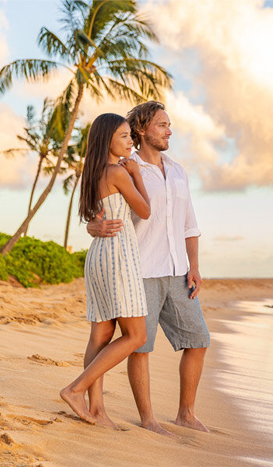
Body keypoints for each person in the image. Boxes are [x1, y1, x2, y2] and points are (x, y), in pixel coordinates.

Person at [87, 101, 211, 434]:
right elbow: (100, 207)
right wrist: (92, 227)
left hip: (178, 270)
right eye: (162, 125)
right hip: (139, 269)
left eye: (169, 125)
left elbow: (189, 223)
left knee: (198, 340)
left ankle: (186, 413)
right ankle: (148, 419)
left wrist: (194, 265)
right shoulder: (126, 164)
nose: (169, 131)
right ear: (142, 129)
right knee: (140, 346)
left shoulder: (178, 170)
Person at [60, 113, 151, 427]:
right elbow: (145, 210)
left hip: (99, 256)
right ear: (107, 140)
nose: (131, 142)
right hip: (118, 256)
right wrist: (137, 174)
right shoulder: (117, 172)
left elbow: (96, 215)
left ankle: (97, 409)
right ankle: (76, 389)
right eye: (125, 136)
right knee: (136, 335)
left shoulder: (93, 172)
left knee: (100, 335)